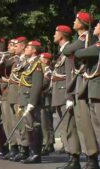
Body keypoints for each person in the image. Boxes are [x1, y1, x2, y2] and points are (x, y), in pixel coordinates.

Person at [62, 11, 99, 169]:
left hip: (88, 85)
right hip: (84, 85)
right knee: (83, 124)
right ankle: (88, 157)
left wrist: (77, 52)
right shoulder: (84, 39)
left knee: (92, 124)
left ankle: (92, 158)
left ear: (83, 24)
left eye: (76, 20)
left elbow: (70, 51)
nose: (73, 22)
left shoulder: (87, 38)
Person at [52, 25, 81, 169]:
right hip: (59, 93)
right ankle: (70, 157)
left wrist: (69, 96)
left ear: (62, 35)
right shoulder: (62, 51)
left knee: (69, 127)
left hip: (65, 93)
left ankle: (74, 158)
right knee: (65, 127)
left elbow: (71, 74)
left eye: (56, 33)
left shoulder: (69, 51)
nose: (53, 35)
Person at [74, 19, 100, 169]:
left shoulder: (97, 46)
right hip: (93, 90)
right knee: (95, 128)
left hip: (97, 91)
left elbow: (80, 52)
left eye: (98, 25)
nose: (96, 26)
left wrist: (82, 51)